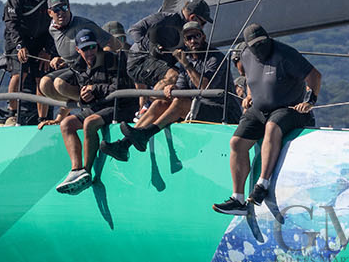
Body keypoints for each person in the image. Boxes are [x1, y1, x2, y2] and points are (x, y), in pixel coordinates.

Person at [214, 24, 321, 215]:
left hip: (287, 108)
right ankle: (237, 199)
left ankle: (262, 184)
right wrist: (248, 95)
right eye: (255, 45)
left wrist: (310, 101)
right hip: (258, 109)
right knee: (236, 143)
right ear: (248, 46)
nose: (260, 47)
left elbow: (314, 75)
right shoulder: (245, 54)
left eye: (263, 43)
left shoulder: (285, 54)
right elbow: (249, 77)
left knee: (272, 127)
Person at [103, 21, 232, 160]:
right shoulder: (186, 59)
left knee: (179, 103)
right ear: (185, 42)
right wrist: (172, 89)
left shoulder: (215, 57)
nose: (193, 40)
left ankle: (146, 134)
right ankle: (124, 145)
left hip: (221, 110)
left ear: (204, 37)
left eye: (196, 36)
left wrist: (186, 65)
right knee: (160, 103)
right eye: (189, 38)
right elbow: (182, 90)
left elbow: (205, 87)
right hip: (197, 107)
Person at [41, 27, 135, 194]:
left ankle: (86, 171)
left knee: (90, 123)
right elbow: (80, 91)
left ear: (97, 45)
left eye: (92, 47)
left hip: (119, 106)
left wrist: (94, 89)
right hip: (98, 106)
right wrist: (84, 96)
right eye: (85, 49)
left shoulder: (112, 60)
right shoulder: (78, 67)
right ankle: (76, 170)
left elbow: (120, 86)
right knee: (66, 124)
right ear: (78, 50)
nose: (90, 51)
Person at [3, 0, 65, 124]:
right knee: (19, 73)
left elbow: (60, 22)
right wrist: (19, 46)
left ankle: (42, 118)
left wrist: (48, 49)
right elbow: (11, 22)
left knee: (42, 77)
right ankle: (11, 113)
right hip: (19, 37)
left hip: (43, 38)